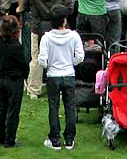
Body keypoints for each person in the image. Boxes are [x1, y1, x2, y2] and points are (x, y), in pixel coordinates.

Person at [39, 8, 84, 150]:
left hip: (53, 76)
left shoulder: (46, 38)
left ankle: (55, 140)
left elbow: (42, 60)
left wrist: (50, 66)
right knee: (70, 107)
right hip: (69, 75)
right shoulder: (74, 36)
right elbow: (80, 56)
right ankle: (69, 140)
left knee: (53, 107)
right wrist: (70, 64)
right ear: (64, 21)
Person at [0, 14, 29, 147]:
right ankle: (10, 140)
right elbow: (23, 64)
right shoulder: (16, 46)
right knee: (13, 111)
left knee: (1, 110)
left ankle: (0, 137)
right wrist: (25, 75)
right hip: (14, 81)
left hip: (1, 79)